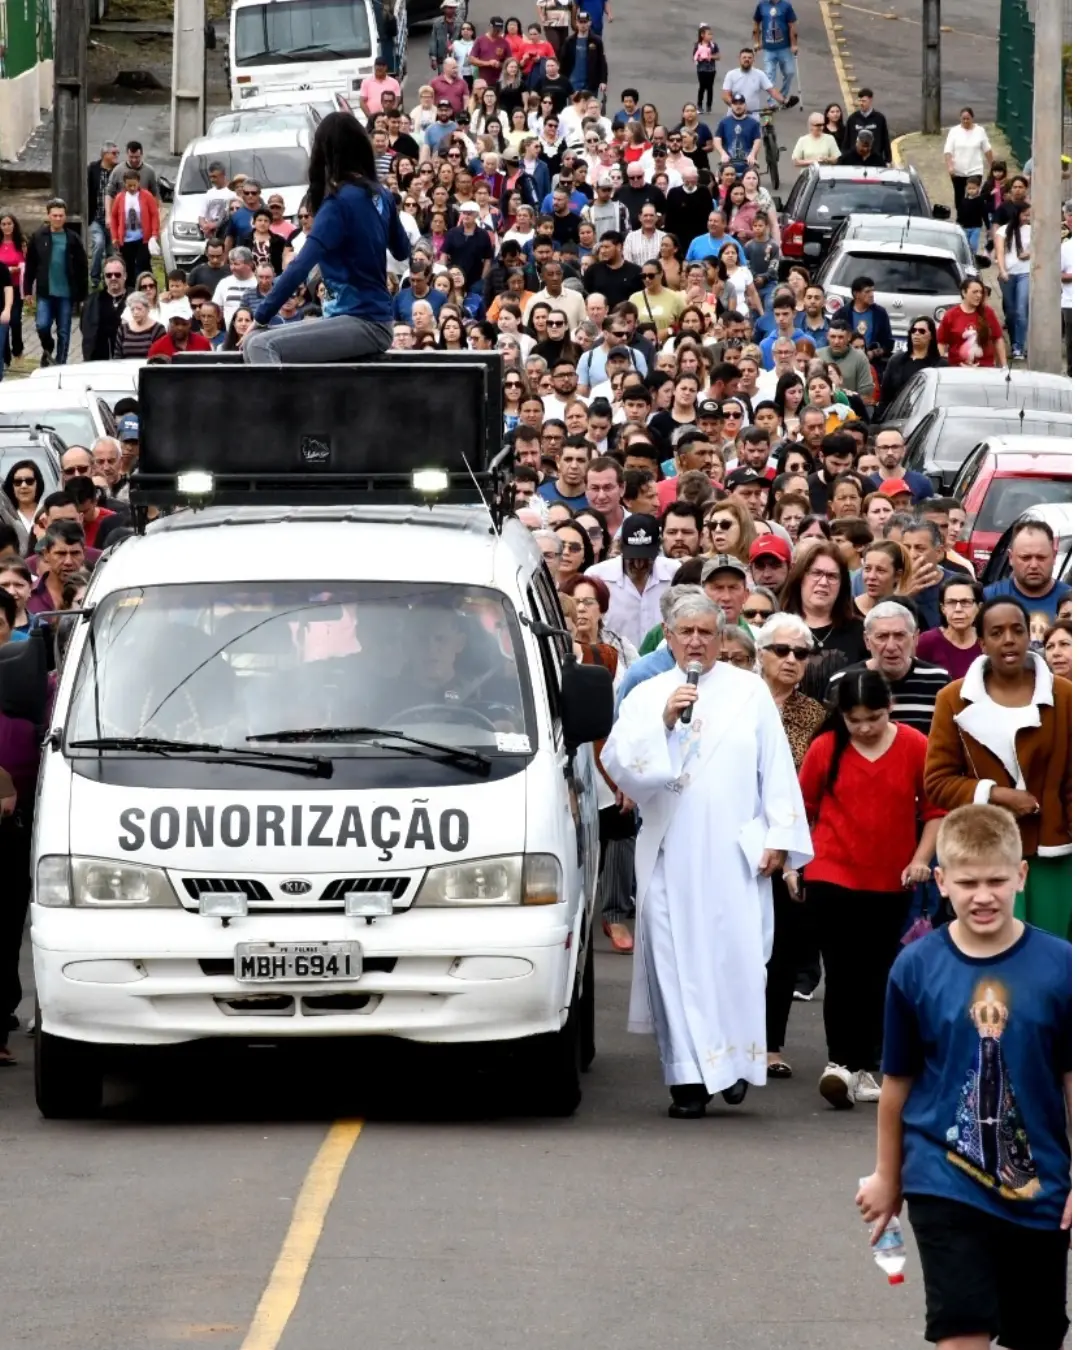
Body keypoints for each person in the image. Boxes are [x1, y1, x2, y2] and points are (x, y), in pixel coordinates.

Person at [859, 805, 1071, 1350]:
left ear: (1021, 876)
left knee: (1035, 1333)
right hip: (943, 1179)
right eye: (968, 881)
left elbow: (1073, 1079)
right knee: (961, 1331)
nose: (984, 895)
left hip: (1038, 1188)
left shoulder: (1061, 966)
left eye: (997, 880)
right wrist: (888, 1176)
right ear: (941, 880)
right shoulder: (915, 967)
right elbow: (897, 1085)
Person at [601, 589, 812, 1117]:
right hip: (671, 852)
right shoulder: (647, 695)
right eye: (685, 632)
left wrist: (779, 837)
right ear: (668, 638)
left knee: (735, 960)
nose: (696, 641)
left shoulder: (750, 691)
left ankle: (736, 1063)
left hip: (733, 852)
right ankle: (689, 1080)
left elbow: (777, 768)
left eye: (706, 632)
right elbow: (622, 766)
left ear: (722, 637)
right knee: (675, 965)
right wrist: (664, 724)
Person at [800, 667, 944, 1109]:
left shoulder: (916, 746)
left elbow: (935, 811)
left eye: (873, 718)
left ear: (890, 709)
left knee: (880, 973)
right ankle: (839, 1063)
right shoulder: (827, 747)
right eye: (854, 719)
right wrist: (794, 865)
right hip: (832, 871)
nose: (863, 728)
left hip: (892, 877)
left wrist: (920, 860)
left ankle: (862, 1065)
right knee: (842, 970)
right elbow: (802, 808)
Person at [924, 599, 1072, 938]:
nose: (1009, 639)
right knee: (995, 948)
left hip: (1055, 849)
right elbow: (937, 781)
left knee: (1054, 950)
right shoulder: (953, 698)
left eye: (1017, 630)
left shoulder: (1065, 696)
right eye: (997, 632)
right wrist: (996, 795)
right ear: (982, 643)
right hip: (985, 849)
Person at [244, 115, 410, 364]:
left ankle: (281, 405)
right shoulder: (382, 196)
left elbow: (300, 266)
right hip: (369, 319)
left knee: (259, 344)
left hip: (363, 322)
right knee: (252, 342)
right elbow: (401, 250)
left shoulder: (338, 204)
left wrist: (261, 316)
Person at [754, 613, 826, 1078]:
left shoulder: (817, 716)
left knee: (781, 950)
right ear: (760, 654)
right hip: (731, 839)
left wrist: (797, 854)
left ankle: (771, 1045)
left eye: (801, 653)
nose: (791, 660)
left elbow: (817, 791)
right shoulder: (737, 701)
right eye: (782, 650)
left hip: (788, 849)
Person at [828, 600, 950, 733]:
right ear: (867, 641)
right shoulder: (841, 682)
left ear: (915, 638)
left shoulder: (939, 682)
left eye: (899, 636)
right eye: (882, 637)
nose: (891, 647)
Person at [585, 512, 680, 648]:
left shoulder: (675, 573)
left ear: (659, 546)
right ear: (620, 546)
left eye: (646, 558)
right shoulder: (596, 576)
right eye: (633, 557)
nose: (639, 565)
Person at [22, 199, 88, 367]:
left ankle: (61, 363)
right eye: (55, 215)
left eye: (61, 215)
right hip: (45, 292)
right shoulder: (38, 236)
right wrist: (27, 289)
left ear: (65, 217)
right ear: (48, 216)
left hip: (66, 293)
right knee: (42, 325)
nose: (58, 219)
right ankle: (48, 347)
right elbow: (31, 265)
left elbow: (82, 267)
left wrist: (82, 295)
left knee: (64, 331)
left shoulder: (72, 238)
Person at [982, 520, 1072, 618]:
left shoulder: (1071, 601)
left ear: (1054, 557)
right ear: (1011, 558)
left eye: (1041, 557)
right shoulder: (989, 598)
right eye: (1025, 558)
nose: (1033, 565)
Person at [916, 575, 983, 680]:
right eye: (951, 602)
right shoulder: (926, 642)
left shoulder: (988, 641)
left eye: (965, 602)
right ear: (943, 608)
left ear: (979, 607)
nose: (958, 609)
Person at [936, 277, 1007, 368]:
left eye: (981, 292)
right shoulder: (951, 315)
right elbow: (941, 342)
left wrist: (1004, 365)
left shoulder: (988, 313)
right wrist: (943, 363)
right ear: (964, 293)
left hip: (985, 367)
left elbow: (998, 339)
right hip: (957, 368)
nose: (979, 295)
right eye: (975, 292)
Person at [876, 315, 941, 413]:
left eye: (921, 331)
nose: (916, 334)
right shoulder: (896, 361)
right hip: (895, 416)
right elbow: (885, 397)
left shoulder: (940, 365)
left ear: (931, 336)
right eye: (913, 331)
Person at [994, 199, 1032, 360]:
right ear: (1017, 214)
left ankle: (1019, 346)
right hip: (1008, 274)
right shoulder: (1002, 231)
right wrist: (1002, 270)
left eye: (1029, 215)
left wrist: (1030, 254)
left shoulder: (1032, 230)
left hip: (1026, 273)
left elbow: (1040, 248)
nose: (1027, 218)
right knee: (1010, 312)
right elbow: (1000, 252)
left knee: (1021, 310)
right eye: (1025, 214)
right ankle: (1013, 340)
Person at [943, 107, 994, 214]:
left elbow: (987, 150)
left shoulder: (980, 131)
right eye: (963, 119)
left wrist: (993, 166)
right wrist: (950, 166)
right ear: (960, 119)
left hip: (975, 169)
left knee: (973, 195)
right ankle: (962, 218)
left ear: (972, 118)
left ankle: (974, 219)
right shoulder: (954, 131)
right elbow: (948, 151)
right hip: (958, 171)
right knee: (960, 196)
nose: (966, 121)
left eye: (968, 119)